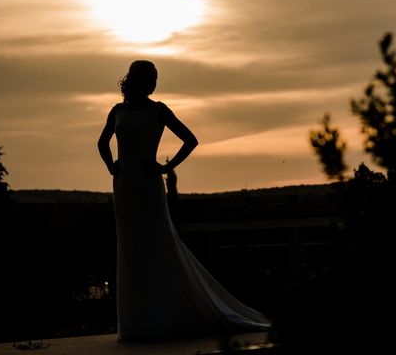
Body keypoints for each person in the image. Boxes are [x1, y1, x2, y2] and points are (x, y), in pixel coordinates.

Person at [97, 60, 271, 342]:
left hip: (149, 187)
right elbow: (102, 142)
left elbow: (190, 140)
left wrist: (165, 168)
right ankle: (137, 322)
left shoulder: (159, 110)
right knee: (131, 248)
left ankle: (162, 315)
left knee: (156, 244)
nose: (153, 84)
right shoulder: (117, 111)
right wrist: (111, 166)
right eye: (150, 78)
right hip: (125, 187)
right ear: (138, 80)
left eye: (155, 79)